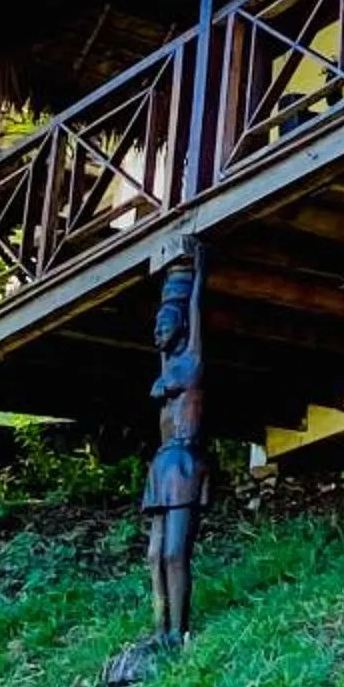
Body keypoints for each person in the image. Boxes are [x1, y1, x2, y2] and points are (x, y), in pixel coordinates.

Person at [140, 253, 209, 642]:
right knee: (153, 555)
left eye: (164, 324)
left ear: (181, 325)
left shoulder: (192, 360)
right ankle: (159, 626)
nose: (157, 332)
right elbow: (162, 344)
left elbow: (194, 312)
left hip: (184, 459)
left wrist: (197, 271)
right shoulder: (166, 366)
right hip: (163, 464)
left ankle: (177, 631)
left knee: (173, 553)